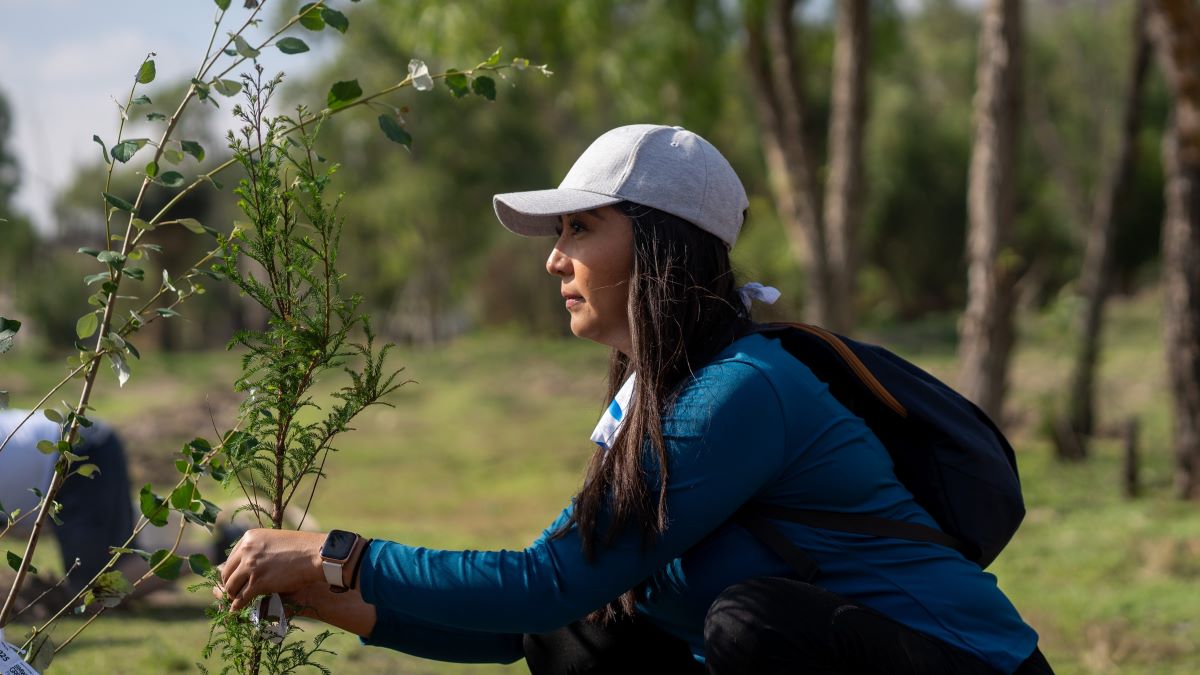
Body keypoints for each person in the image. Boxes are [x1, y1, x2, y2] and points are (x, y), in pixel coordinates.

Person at [216, 124, 1054, 673]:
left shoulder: (744, 392)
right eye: (560, 234)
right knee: (593, 625)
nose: (555, 259)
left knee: (749, 624)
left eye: (580, 228)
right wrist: (343, 601)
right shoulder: (661, 395)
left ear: (658, 245)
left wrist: (340, 550)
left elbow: (536, 581)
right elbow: (532, 622)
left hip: (970, 665)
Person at [0, 409, 135, 597]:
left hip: (82, 453)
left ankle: (186, 557)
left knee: (94, 591)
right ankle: (141, 523)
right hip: (67, 450)